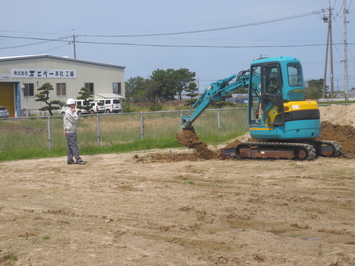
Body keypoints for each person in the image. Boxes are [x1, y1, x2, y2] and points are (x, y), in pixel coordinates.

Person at [63, 98, 86, 165]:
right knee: (74, 146)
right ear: (70, 105)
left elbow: (65, 122)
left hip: (70, 131)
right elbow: (75, 120)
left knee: (70, 146)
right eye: (73, 104)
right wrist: (75, 113)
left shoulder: (68, 112)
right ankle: (78, 159)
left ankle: (70, 160)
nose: (75, 105)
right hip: (70, 132)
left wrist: (64, 129)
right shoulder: (69, 112)